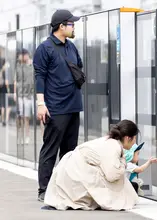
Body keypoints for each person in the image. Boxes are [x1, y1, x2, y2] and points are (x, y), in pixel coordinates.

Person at [33, 9, 83, 201]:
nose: (74, 26)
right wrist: (40, 104)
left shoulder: (71, 47)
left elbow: (78, 67)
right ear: (61, 26)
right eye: (71, 23)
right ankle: (44, 189)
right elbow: (40, 77)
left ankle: (65, 188)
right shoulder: (44, 48)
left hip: (73, 105)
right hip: (55, 107)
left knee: (70, 151)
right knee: (50, 148)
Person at [43, 119, 140, 211]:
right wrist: (123, 162)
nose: (135, 142)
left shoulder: (108, 141)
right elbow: (112, 175)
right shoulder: (114, 146)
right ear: (127, 138)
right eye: (135, 138)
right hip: (76, 175)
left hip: (69, 173)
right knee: (118, 179)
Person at [14, 49, 34, 144]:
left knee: (27, 117)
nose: (20, 58)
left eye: (21, 55)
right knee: (20, 117)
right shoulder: (18, 67)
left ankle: (27, 136)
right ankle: (20, 136)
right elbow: (15, 81)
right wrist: (15, 93)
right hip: (20, 95)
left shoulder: (32, 65)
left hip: (29, 95)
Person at [0, 46, 10, 126]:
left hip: (2, 84)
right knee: (5, 103)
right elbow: (7, 75)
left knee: (2, 103)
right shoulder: (4, 61)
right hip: (3, 85)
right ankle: (4, 120)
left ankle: (2, 119)